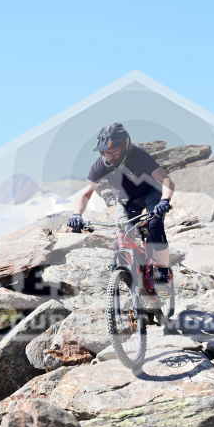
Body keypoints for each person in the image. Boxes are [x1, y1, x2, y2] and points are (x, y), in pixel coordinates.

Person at [68, 123, 175, 297]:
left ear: (125, 146)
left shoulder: (139, 156)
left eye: (114, 152)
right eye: (106, 153)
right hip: (126, 200)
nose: (109, 157)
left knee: (155, 225)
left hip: (151, 194)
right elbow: (85, 194)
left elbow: (166, 180)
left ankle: (163, 276)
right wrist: (76, 214)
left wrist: (164, 200)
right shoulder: (100, 164)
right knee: (121, 241)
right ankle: (135, 281)